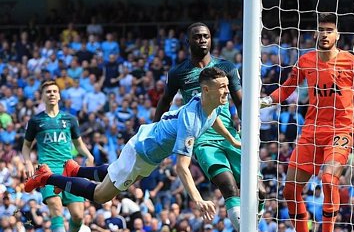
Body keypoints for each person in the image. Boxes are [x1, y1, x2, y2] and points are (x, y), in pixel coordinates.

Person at [25, 67, 240, 222]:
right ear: (206, 89)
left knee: (114, 173)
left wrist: (232, 140)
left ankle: (75, 170)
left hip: (151, 152)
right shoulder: (191, 120)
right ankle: (47, 177)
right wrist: (198, 199)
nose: (226, 91)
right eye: (221, 87)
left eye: (227, 86)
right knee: (101, 195)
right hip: (141, 152)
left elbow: (214, 119)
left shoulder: (208, 103)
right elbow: (181, 167)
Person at [260, 13, 354, 232]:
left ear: (337, 35)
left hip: (341, 130)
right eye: (321, 29)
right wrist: (265, 101)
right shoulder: (305, 61)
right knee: (290, 191)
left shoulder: (351, 62)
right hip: (311, 131)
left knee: (328, 178)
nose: (324, 34)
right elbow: (286, 89)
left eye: (329, 30)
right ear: (315, 33)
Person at [154, 22, 265, 232]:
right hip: (203, 139)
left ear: (211, 39)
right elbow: (164, 102)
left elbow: (240, 101)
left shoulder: (227, 67)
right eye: (197, 37)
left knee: (259, 191)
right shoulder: (178, 72)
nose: (202, 40)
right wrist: (154, 131)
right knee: (228, 186)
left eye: (206, 36)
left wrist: (247, 127)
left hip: (230, 135)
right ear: (188, 41)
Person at [22, 80, 94, 232]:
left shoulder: (70, 119)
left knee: (78, 216)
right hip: (47, 170)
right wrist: (27, 163)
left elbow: (78, 144)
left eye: (55, 91)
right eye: (48, 92)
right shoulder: (35, 121)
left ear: (59, 95)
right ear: (43, 96)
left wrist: (89, 156)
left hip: (69, 169)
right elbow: (26, 147)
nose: (52, 94)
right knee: (55, 206)